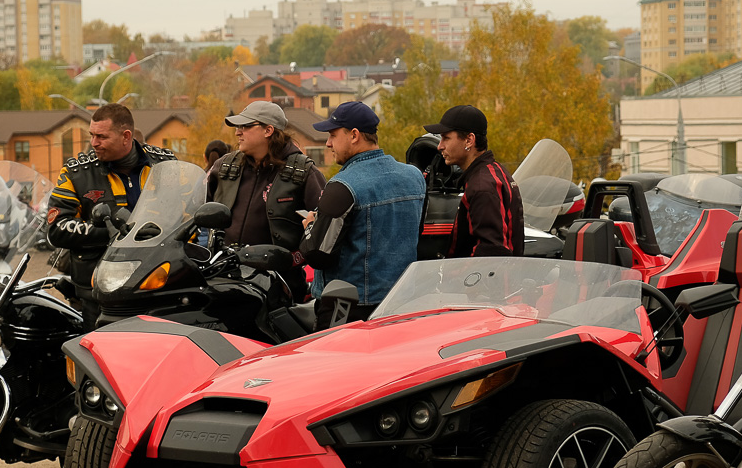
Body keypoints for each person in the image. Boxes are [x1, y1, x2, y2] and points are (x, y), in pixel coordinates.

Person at [46, 103, 175, 327]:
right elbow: (57, 228)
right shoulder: (76, 174)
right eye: (92, 135)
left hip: (157, 288)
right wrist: (110, 232)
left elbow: (186, 215)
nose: (94, 143)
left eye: (101, 137)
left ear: (126, 136)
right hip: (99, 294)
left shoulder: (166, 164)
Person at [300, 102, 425, 329]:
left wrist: (310, 226)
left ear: (354, 135)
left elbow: (317, 254)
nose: (328, 143)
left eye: (332, 134)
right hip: (402, 306)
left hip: (349, 308)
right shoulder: (414, 176)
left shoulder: (342, 185)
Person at [207, 101, 325, 299]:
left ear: (268, 130)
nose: (238, 132)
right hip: (224, 279)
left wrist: (294, 259)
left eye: (245, 126)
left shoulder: (303, 172)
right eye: (238, 127)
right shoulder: (225, 167)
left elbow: (326, 229)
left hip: (281, 285)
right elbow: (196, 212)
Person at [425, 105, 524, 257]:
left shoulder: (482, 186)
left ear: (469, 140)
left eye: (446, 138)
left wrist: (457, 274)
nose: (440, 146)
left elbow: (491, 252)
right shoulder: (494, 170)